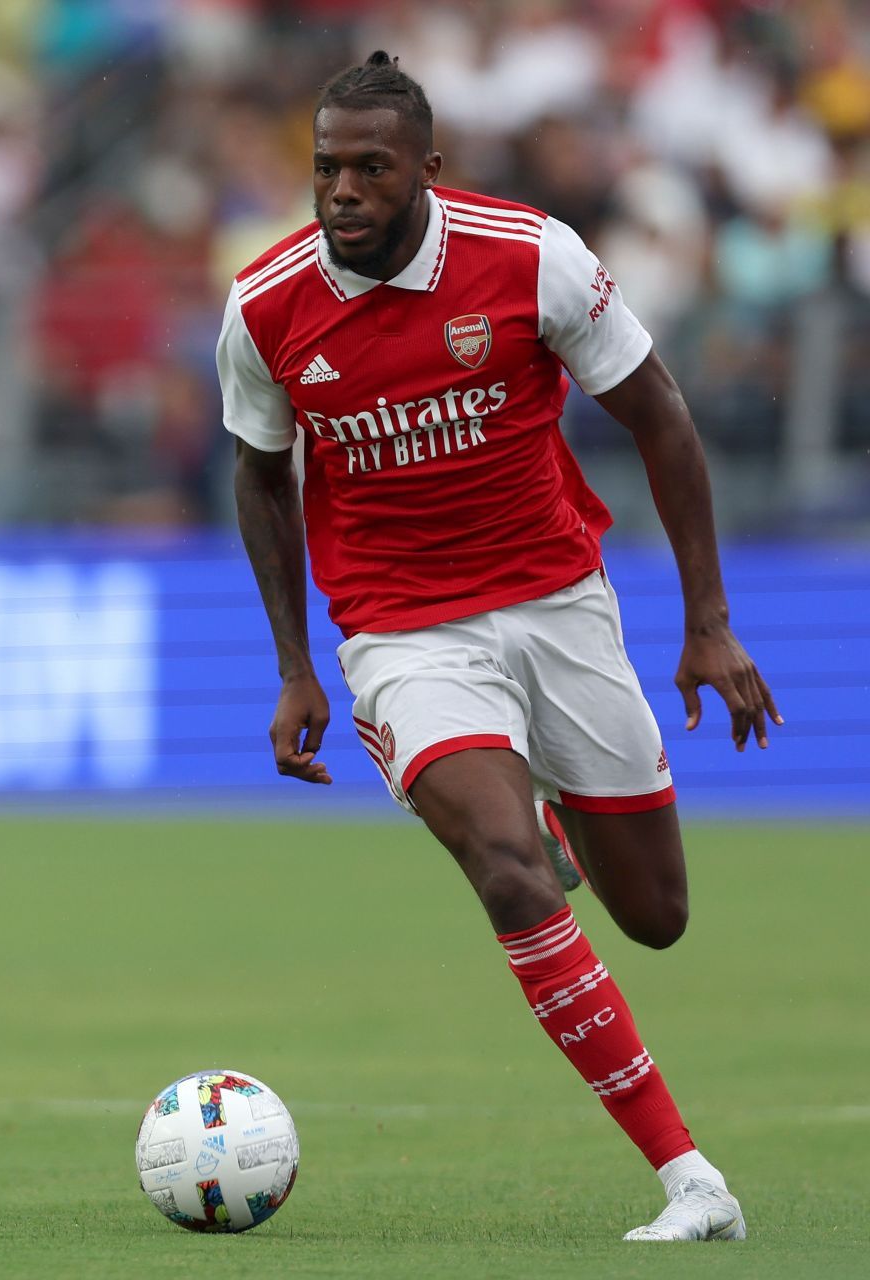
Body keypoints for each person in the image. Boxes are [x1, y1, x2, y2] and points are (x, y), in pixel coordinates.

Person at [220, 52, 781, 1243]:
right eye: (326, 167)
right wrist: (294, 662)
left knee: (659, 913)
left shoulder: (531, 256)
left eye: (370, 168)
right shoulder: (265, 307)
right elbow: (261, 480)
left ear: (426, 169)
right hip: (402, 628)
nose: (342, 192)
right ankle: (690, 1176)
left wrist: (710, 620)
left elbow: (659, 413)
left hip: (557, 600)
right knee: (505, 867)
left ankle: (567, 817)